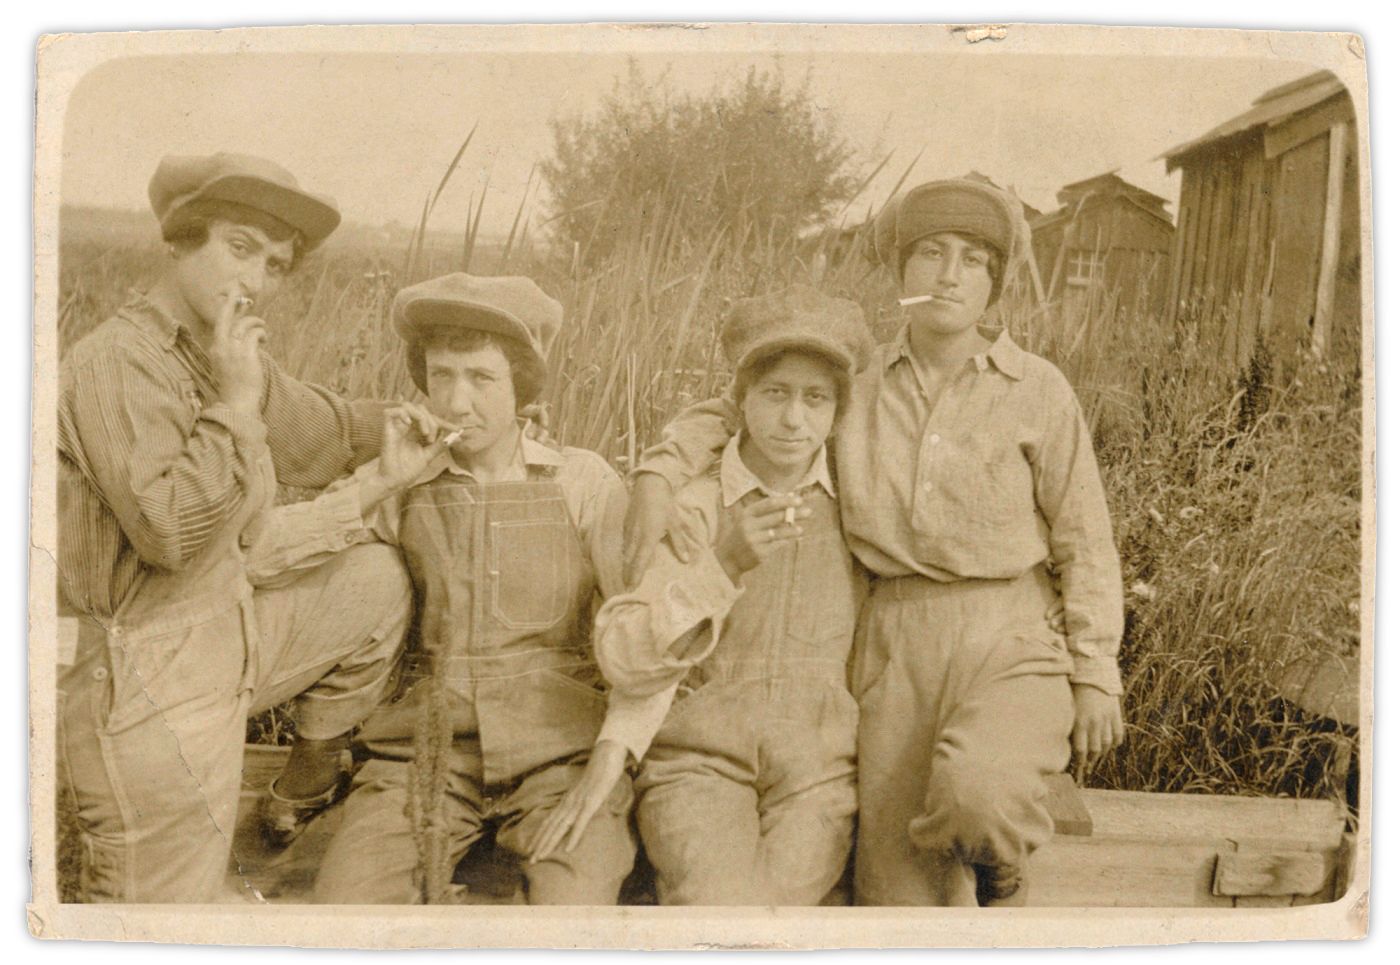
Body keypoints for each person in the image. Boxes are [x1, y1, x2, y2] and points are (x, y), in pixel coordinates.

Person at [623, 178, 1127, 907]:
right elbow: (741, 404)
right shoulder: (857, 385)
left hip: (1010, 633)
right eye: (929, 253)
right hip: (891, 641)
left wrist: (1096, 669)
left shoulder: (1038, 390)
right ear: (902, 271)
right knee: (898, 897)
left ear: (996, 282)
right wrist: (659, 470)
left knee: (979, 798)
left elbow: (1086, 537)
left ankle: (996, 861)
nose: (948, 275)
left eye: (973, 260)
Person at [56, 152, 424, 902]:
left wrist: (442, 422)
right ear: (181, 240)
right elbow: (168, 532)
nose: (256, 282)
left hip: (216, 641)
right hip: (138, 685)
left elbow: (314, 428)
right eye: (240, 247)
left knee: (373, 580)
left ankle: (300, 787)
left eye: (277, 266)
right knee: (157, 925)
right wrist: (235, 403)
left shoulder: (211, 352)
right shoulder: (116, 363)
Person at [264, 272, 637, 905]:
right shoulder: (406, 482)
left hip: (560, 758)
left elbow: (641, 631)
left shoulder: (584, 482)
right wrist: (383, 479)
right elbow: (261, 557)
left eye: (482, 378)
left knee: (575, 911)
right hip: (422, 760)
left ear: (523, 387)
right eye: (442, 377)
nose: (457, 403)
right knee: (344, 907)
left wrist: (610, 759)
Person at [528, 286, 874, 905]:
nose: (794, 420)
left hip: (819, 772)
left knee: (780, 906)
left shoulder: (860, 508)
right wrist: (721, 565)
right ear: (738, 401)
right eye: (775, 394)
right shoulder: (692, 507)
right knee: (714, 903)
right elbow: (626, 657)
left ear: (837, 412)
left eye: (815, 398)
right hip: (697, 763)